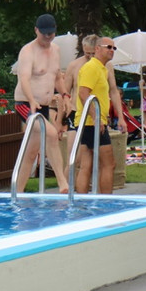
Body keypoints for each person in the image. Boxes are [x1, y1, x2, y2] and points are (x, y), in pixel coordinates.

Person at [14, 14, 69, 194]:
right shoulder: (28, 51)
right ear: (36, 30)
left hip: (43, 106)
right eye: (44, 33)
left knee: (31, 153)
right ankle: (62, 183)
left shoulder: (56, 50)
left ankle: (17, 192)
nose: (47, 37)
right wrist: (31, 99)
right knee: (51, 134)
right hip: (25, 104)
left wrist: (65, 95)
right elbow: (24, 78)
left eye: (50, 33)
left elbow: (57, 77)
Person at [75, 36, 125, 194]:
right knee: (108, 163)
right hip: (91, 122)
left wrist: (119, 117)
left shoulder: (102, 69)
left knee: (87, 164)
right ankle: (105, 200)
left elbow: (111, 92)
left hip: (91, 121)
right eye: (108, 47)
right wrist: (95, 117)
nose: (112, 50)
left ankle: (82, 200)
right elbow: (83, 93)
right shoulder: (92, 67)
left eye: (114, 48)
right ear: (97, 48)